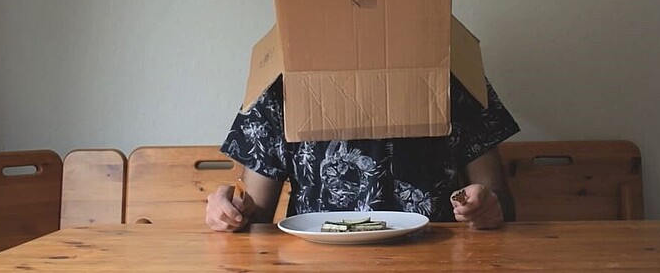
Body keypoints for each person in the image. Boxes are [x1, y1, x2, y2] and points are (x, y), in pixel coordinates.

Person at [206, 74, 520, 231]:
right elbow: (255, 214)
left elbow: (500, 200)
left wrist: (489, 207)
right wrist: (230, 211)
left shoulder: (453, 75)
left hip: (433, 258)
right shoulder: (281, 86)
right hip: (319, 260)